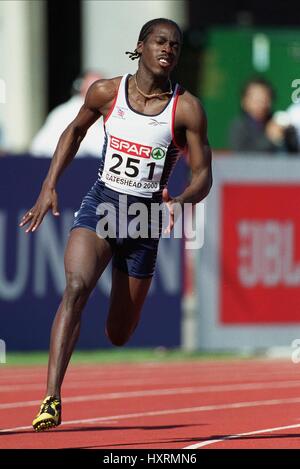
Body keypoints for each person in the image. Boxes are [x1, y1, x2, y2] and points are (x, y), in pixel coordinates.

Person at [19, 18, 212, 431]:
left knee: (119, 332)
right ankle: (51, 397)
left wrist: (179, 199)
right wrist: (48, 186)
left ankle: (117, 318)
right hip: (103, 202)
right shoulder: (107, 92)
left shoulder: (188, 108)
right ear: (140, 45)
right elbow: (73, 132)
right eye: (160, 41)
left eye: (175, 45)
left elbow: (203, 175)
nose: (168, 49)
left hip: (145, 218)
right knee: (75, 288)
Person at [29, 71, 105, 157]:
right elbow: (98, 146)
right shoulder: (68, 111)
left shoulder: (98, 109)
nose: (101, 91)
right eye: (95, 87)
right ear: (81, 87)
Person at [228, 77, 298, 153]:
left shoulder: (279, 122)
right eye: (256, 98)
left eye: (265, 98)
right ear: (244, 101)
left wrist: (286, 133)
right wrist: (269, 138)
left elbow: (294, 152)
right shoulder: (239, 126)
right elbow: (243, 157)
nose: (261, 103)